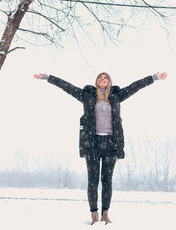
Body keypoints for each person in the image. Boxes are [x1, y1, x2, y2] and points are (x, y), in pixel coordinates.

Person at [34, 71, 167, 225]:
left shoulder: (117, 95)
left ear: (109, 82)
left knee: (107, 180)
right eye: (100, 78)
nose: (103, 79)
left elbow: (135, 86)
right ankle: (94, 213)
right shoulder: (87, 95)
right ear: (96, 82)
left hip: (111, 143)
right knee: (93, 180)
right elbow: (67, 87)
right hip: (92, 143)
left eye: (106, 78)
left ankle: (105, 213)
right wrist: (48, 77)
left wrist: (154, 77)